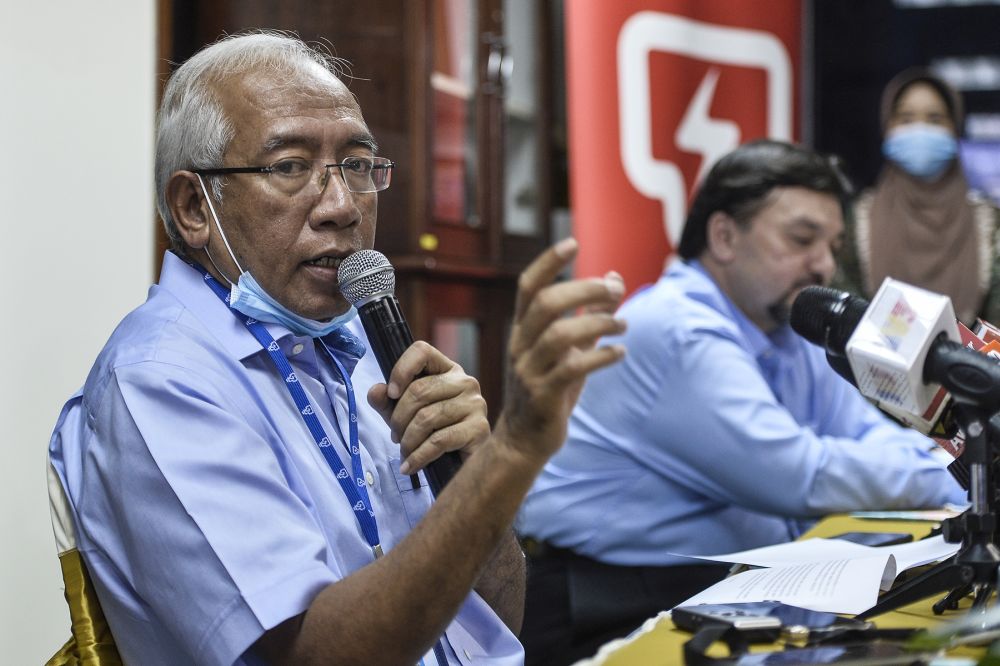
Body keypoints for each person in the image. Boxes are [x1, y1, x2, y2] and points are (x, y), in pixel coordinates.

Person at [47, 31, 628, 665]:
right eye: (290, 167)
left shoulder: (357, 344)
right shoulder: (161, 383)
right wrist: (510, 459)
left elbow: (499, 622)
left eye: (357, 165)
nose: (343, 206)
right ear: (194, 207)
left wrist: (471, 471)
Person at [516, 140, 967, 665]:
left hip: (719, 587)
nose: (823, 265)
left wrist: (949, 463)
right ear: (725, 236)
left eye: (833, 246)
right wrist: (957, 475)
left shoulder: (784, 326)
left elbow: (862, 433)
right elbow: (800, 474)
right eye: (802, 239)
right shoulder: (677, 329)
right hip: (608, 604)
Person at [834, 67, 1000, 326]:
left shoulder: (990, 225)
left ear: (954, 128)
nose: (920, 128)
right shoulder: (856, 221)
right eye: (906, 118)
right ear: (887, 126)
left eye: (935, 119)